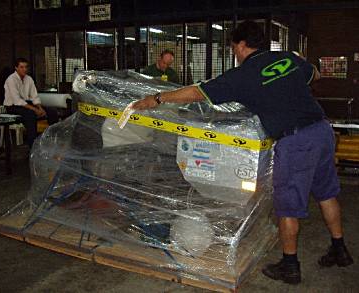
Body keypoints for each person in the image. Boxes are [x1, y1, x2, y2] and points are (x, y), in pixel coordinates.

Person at [132, 21, 353, 284]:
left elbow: (196, 93)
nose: (234, 53)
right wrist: (300, 63)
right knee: (326, 193)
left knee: (287, 207)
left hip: (296, 142)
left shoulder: (242, 75)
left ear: (241, 45)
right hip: (322, 131)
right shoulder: (284, 58)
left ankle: (290, 265)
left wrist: (157, 98)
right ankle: (340, 250)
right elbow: (314, 74)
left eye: (234, 48)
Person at [4, 58, 58, 148]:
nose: (24, 69)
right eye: (21, 67)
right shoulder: (11, 79)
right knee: (31, 114)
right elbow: (17, 100)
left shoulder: (29, 79)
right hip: (12, 106)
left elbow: (34, 96)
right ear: (16, 68)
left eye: (25, 67)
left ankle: (54, 140)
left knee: (51, 112)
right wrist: (35, 109)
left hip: (26, 104)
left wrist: (40, 108)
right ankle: (33, 146)